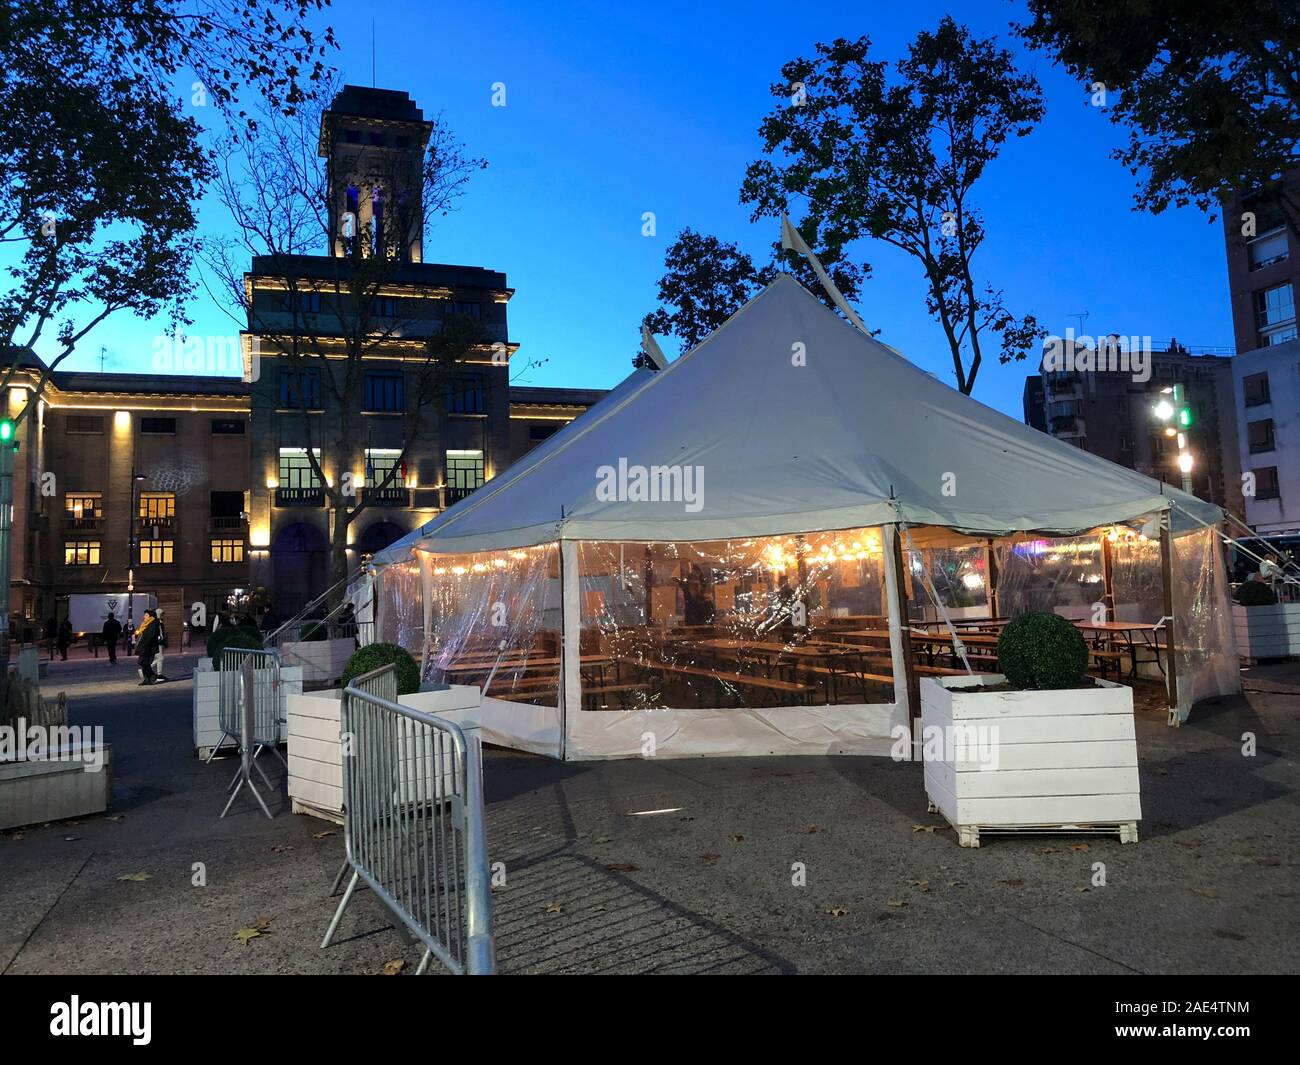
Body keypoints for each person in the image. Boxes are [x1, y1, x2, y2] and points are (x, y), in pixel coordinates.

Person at [135, 610, 161, 685]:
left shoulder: (153, 623)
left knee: (144, 662)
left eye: (146, 615)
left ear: (150, 616)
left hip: (148, 646)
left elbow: (151, 635)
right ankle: (148, 678)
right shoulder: (146, 623)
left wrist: (145, 643)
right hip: (144, 646)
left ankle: (151, 677)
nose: (144, 616)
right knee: (143, 662)